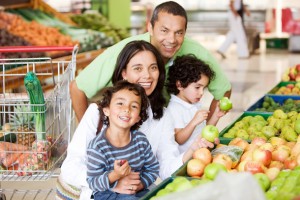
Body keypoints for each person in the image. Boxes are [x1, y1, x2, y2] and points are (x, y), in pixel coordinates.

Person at [57, 40, 215, 200]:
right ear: (124, 73)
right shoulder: (98, 113)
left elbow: (165, 168)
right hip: (83, 193)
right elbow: (70, 168)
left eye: (153, 68)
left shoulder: (161, 116)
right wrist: (113, 181)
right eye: (137, 68)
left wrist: (192, 150)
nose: (147, 75)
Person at [70, 1, 232, 123]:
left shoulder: (196, 52)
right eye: (164, 31)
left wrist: (205, 132)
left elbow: (224, 91)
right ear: (150, 28)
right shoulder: (127, 51)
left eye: (178, 33)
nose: (171, 39)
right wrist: (91, 137)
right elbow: (77, 88)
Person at [86, 81, 159, 200]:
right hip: (108, 193)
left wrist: (140, 185)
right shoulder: (98, 147)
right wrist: (116, 175)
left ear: (138, 117)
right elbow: (93, 182)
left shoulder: (141, 141)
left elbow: (153, 168)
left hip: (137, 190)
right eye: (120, 103)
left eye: (134, 106)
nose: (127, 109)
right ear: (106, 110)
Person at [165, 54, 225, 154]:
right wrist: (193, 122)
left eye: (203, 88)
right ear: (179, 85)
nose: (201, 93)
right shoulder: (175, 108)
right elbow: (179, 139)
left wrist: (216, 116)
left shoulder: (194, 104)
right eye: (197, 87)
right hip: (189, 160)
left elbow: (204, 131)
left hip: (201, 153)